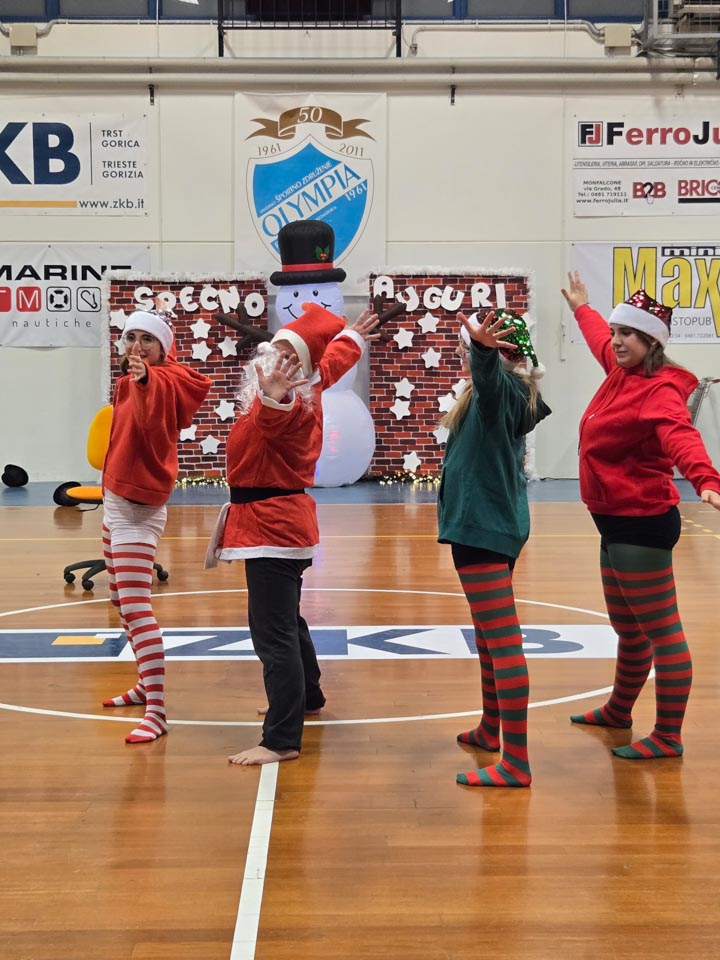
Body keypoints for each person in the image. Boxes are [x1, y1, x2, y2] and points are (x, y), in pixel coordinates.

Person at [206, 301, 379, 766]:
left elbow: (276, 418)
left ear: (299, 370)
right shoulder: (310, 384)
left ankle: (281, 738)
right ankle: (309, 696)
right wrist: (353, 337)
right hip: (282, 525)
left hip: (272, 529)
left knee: (272, 634)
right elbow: (332, 360)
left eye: (287, 356)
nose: (274, 360)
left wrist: (274, 397)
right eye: (275, 350)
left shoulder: (292, 404)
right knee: (287, 622)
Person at [561, 272, 720, 759]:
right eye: (616, 332)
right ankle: (619, 710)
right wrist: (582, 308)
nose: (616, 341)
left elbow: (681, 436)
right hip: (613, 522)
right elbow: (597, 339)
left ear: (652, 341)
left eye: (628, 334)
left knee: (662, 632)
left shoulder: (659, 390)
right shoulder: (620, 370)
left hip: (641, 523)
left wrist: (706, 479)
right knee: (628, 629)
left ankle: (668, 735)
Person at [438, 309, 551, 787]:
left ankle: (516, 762)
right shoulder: (513, 393)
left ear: (504, 356)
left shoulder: (500, 391)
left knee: (503, 643)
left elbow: (486, 379)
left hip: (481, 530)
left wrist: (483, 353)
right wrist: (484, 353)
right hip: (491, 526)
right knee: (487, 636)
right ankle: (490, 728)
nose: (467, 354)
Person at [102, 301, 212, 743]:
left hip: (137, 509)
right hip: (114, 502)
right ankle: (144, 685)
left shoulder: (159, 382)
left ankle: (158, 711)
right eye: (131, 336)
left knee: (136, 607)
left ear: (164, 349)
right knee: (118, 599)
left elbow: (151, 418)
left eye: (148, 339)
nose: (138, 345)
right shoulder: (128, 381)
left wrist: (145, 378)